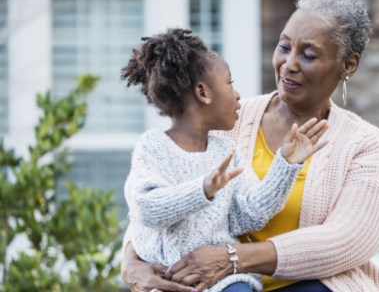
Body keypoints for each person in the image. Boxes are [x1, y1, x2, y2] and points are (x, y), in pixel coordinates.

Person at [121, 0, 379, 292]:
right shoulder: (224, 120)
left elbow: (348, 239)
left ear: (348, 65)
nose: (289, 64)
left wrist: (233, 258)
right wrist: (130, 260)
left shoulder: (365, 144)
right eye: (284, 47)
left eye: (308, 55)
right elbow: (159, 200)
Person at [121, 28, 329, 292]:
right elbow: (146, 210)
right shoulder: (154, 146)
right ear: (203, 92)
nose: (238, 94)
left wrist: (285, 166)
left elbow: (249, 216)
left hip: (225, 281)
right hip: (169, 281)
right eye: (230, 83)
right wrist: (202, 190)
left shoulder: (225, 151)